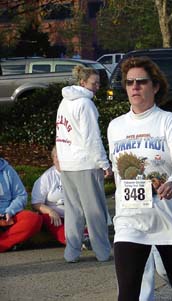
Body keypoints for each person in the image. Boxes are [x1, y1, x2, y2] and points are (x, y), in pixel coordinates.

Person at [107, 56, 172, 301]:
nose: (134, 87)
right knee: (127, 292)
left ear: (155, 86)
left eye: (141, 82)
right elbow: (117, 172)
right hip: (130, 218)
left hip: (167, 213)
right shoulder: (115, 126)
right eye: (129, 82)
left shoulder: (168, 120)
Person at [56, 65, 112, 263]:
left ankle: (71, 252)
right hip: (85, 163)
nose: (97, 86)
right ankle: (103, 252)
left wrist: (62, 160)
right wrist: (104, 163)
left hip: (68, 164)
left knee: (73, 211)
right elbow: (92, 138)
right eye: (93, 83)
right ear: (82, 83)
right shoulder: (86, 104)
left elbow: (60, 133)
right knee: (94, 210)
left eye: (98, 82)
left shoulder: (64, 102)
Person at [0, 158, 42, 252]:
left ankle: (3, 244)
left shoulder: (7, 170)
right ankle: (10, 243)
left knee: (34, 219)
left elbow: (21, 195)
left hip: (8, 216)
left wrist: (10, 211)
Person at [31, 146, 66, 245]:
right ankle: (73, 240)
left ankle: (86, 237)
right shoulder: (46, 177)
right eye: (57, 157)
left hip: (75, 215)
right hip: (56, 216)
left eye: (63, 156)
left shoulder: (76, 174)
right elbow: (36, 203)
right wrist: (50, 211)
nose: (60, 159)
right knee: (49, 218)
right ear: (53, 159)